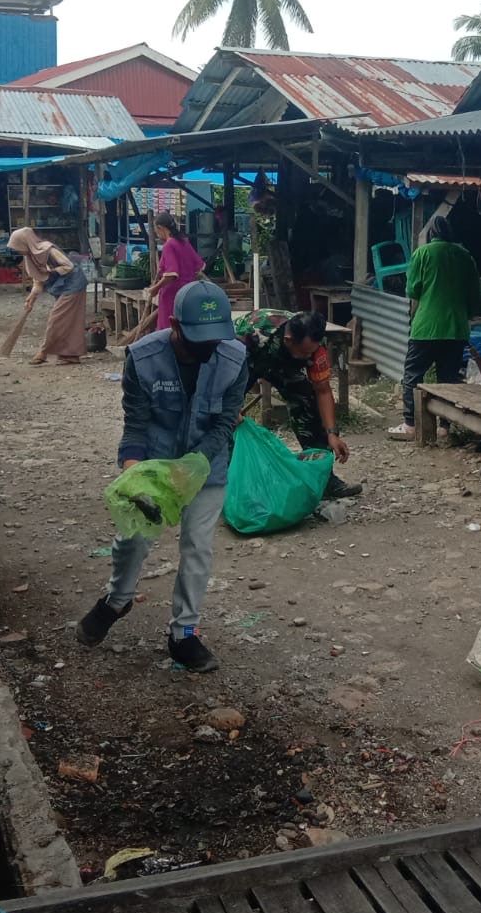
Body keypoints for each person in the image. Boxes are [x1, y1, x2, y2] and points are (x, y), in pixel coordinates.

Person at [76, 279, 247, 673]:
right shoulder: (142, 356)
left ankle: (184, 634)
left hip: (206, 466)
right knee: (132, 539)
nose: (207, 350)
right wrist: (134, 477)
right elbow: (135, 423)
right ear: (173, 324)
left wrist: (194, 465)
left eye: (214, 341)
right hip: (153, 463)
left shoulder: (235, 358)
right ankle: (117, 601)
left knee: (197, 547)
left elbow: (225, 421)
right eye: (197, 340)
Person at [235, 308, 360, 499]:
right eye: (304, 352)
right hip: (246, 362)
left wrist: (332, 434)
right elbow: (224, 373)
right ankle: (229, 481)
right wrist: (231, 407)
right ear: (289, 340)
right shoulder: (253, 333)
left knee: (309, 403)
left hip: (283, 367)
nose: (308, 356)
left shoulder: (316, 346)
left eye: (311, 351)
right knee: (227, 419)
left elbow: (323, 390)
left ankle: (324, 480)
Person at [387, 216, 481, 440]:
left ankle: (410, 425)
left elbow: (413, 290)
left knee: (413, 375)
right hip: (456, 328)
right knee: (448, 378)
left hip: (426, 327)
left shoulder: (422, 253)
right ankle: (444, 428)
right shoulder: (465, 256)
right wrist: (464, 315)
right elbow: (475, 296)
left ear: (431, 235)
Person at [7, 226, 87, 365]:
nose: (16, 250)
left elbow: (68, 266)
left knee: (56, 319)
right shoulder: (30, 257)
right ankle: (70, 355)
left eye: (17, 246)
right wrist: (31, 298)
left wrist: (51, 270)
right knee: (68, 321)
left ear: (25, 242)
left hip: (73, 283)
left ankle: (44, 352)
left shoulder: (48, 250)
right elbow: (38, 280)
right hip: (62, 287)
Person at [150, 212, 204, 333]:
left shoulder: (169, 245)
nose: (156, 234)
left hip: (172, 295)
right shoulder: (184, 242)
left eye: (156, 230)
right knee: (183, 329)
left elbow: (172, 274)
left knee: (169, 330)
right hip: (187, 293)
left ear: (160, 228)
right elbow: (199, 267)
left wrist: (156, 288)